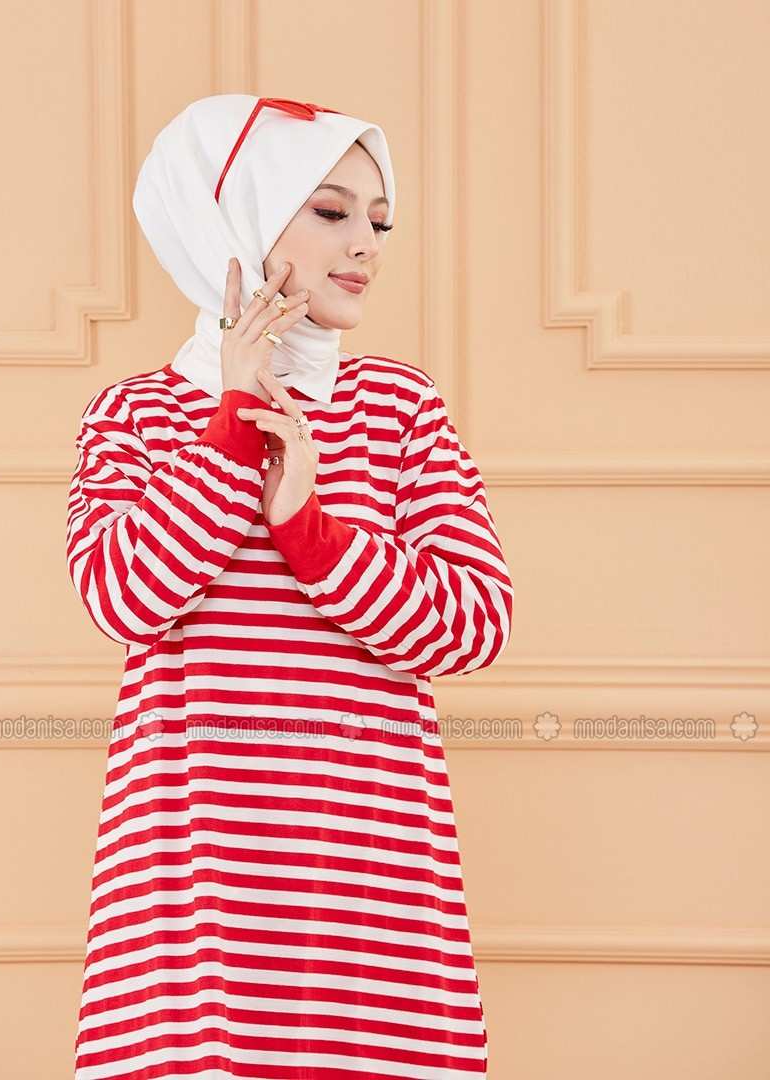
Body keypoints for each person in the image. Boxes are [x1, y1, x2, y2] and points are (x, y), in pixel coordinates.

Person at [67, 93, 512, 1080]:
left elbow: (475, 622)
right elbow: (124, 597)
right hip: (190, 876)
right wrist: (231, 427)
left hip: (370, 868)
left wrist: (308, 529)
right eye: (329, 211)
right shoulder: (133, 414)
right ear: (235, 217)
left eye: (378, 222)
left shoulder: (398, 407)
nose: (365, 246)